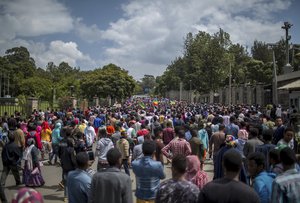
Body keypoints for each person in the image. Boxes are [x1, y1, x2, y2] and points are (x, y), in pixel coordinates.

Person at [0, 132, 22, 203]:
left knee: (3, 179)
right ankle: (18, 182)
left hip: (6, 164)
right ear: (14, 138)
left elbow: (2, 154)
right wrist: (16, 161)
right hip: (13, 163)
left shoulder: (6, 146)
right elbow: (19, 155)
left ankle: (2, 188)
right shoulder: (15, 146)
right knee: (15, 173)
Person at [59, 137, 77, 202]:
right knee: (72, 183)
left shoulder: (64, 150)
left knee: (66, 183)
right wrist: (76, 166)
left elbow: (61, 158)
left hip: (65, 168)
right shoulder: (71, 150)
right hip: (71, 169)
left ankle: (65, 197)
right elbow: (73, 160)